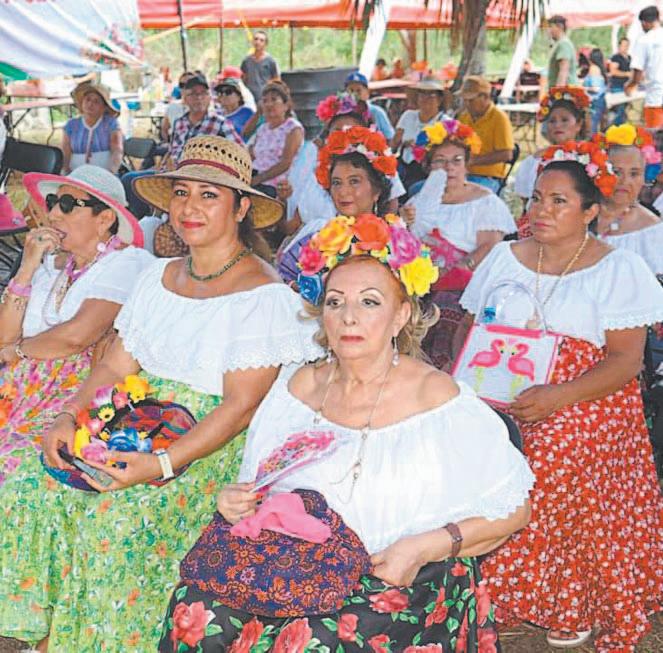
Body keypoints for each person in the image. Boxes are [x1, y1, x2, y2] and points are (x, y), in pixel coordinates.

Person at [0, 137, 320, 652]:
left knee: (113, 521)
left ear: (241, 208)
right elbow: (115, 364)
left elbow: (240, 408)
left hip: (205, 447)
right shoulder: (157, 276)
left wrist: (163, 464)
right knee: (33, 489)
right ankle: (61, 635)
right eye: (181, 192)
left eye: (209, 195)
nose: (190, 207)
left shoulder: (263, 297)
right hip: (134, 420)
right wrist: (68, 416)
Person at [159, 212, 533, 652]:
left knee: (310, 642)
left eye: (369, 302)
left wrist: (425, 547)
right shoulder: (297, 389)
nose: (349, 317)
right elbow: (259, 486)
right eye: (335, 302)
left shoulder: (437, 398)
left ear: (401, 316)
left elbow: (514, 511)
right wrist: (238, 502)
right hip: (292, 564)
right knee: (196, 611)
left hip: (390, 574)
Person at [460, 141, 663, 652]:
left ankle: (570, 597)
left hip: (589, 395)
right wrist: (469, 391)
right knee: (462, 438)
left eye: (559, 202)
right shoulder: (503, 257)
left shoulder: (618, 269)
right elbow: (470, 329)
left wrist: (558, 396)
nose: (541, 211)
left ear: (590, 211)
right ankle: (487, 582)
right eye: (536, 198)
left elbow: (626, 362)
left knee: (552, 447)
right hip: (500, 384)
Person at [0, 165, 151, 483]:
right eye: (53, 202)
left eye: (68, 205)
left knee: (10, 466)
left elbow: (78, 336)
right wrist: (26, 268)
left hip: (70, 394)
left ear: (105, 219)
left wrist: (17, 351)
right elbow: (4, 336)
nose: (53, 213)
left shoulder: (126, 263)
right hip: (19, 384)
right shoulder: (52, 263)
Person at [403, 120, 516, 370]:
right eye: (440, 161)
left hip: (464, 281)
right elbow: (408, 244)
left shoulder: (485, 201)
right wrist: (404, 222)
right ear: (428, 166)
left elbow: (488, 247)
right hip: (423, 279)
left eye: (456, 160)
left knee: (443, 307)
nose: (449, 168)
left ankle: (442, 371)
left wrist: (453, 270)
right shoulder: (419, 201)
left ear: (466, 164)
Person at [275, 119, 401, 284]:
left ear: (376, 191)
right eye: (336, 182)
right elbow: (284, 281)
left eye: (354, 181)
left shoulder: (398, 244)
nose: (343, 191)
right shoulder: (314, 240)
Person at [121, 74, 243, 219]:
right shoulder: (180, 122)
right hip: (170, 172)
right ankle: (139, 221)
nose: (199, 98)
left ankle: (155, 218)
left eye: (203, 93)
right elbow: (172, 149)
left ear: (209, 97)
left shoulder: (220, 123)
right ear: (185, 98)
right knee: (130, 180)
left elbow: (240, 152)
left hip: (199, 177)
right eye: (193, 94)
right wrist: (162, 165)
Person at [514, 86, 590, 236]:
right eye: (552, 121)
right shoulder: (534, 161)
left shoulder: (590, 158)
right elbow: (525, 201)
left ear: (579, 124)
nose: (557, 125)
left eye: (564, 120)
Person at [593, 123, 663, 275]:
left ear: (645, 177)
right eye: (616, 172)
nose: (624, 181)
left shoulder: (652, 232)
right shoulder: (578, 214)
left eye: (634, 173)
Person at [458, 76, 515, 194]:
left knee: (466, 196)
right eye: (465, 100)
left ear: (485, 97)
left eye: (471, 100)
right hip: (462, 175)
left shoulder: (499, 118)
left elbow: (507, 154)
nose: (467, 104)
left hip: (488, 178)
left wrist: (473, 161)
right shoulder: (464, 117)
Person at [391, 78, 447, 189]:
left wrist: (426, 149)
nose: (425, 99)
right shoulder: (408, 115)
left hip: (427, 172)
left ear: (440, 100)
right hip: (403, 168)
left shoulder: (445, 122)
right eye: (422, 94)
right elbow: (394, 144)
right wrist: (404, 143)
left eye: (431, 95)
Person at [250, 80, 304, 195]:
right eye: (265, 101)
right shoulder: (262, 129)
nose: (269, 104)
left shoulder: (293, 128)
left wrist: (258, 179)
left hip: (277, 185)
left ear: (286, 105)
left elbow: (286, 163)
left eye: (274, 99)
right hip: (255, 177)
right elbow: (253, 155)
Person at [62, 81, 123, 174]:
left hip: (105, 174)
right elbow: (66, 152)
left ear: (104, 107)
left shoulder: (110, 124)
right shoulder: (71, 125)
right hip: (76, 173)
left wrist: (111, 172)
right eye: (88, 99)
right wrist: (66, 171)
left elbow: (117, 150)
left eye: (96, 101)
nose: (90, 104)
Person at [626, 6, 663, 129]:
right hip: (656, 93)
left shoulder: (644, 40)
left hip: (655, 95)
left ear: (644, 23)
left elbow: (638, 69)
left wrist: (631, 85)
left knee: (655, 134)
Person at [344, 71, 395, 139]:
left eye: (359, 90)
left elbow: (390, 137)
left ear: (367, 92)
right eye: (351, 90)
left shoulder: (377, 112)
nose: (355, 94)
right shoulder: (342, 113)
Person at [241, 30, 280, 103]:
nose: (258, 42)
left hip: (264, 98)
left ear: (266, 44)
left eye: (261, 40)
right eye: (256, 39)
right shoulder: (246, 60)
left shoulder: (270, 61)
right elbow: (243, 78)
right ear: (252, 42)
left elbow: (276, 80)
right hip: (249, 98)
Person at [160, 71, 195, 144]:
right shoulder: (172, 108)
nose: (185, 87)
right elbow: (164, 129)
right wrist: (168, 144)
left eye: (190, 84)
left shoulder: (202, 109)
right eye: (182, 85)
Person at [546, 15, 578, 88]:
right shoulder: (559, 43)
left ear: (560, 27)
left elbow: (563, 70)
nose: (549, 30)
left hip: (566, 91)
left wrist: (559, 91)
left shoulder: (563, 44)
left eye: (551, 27)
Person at [583, 48, 608, 134]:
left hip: (594, 101)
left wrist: (583, 88)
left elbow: (595, 88)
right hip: (600, 100)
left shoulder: (593, 68)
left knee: (592, 128)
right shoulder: (600, 69)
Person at [608, 38, 631, 125]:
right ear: (619, 46)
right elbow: (613, 71)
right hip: (617, 86)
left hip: (627, 86)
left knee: (624, 110)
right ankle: (614, 127)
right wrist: (626, 74)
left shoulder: (629, 57)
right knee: (619, 110)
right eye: (623, 45)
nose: (625, 47)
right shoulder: (616, 57)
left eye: (627, 45)